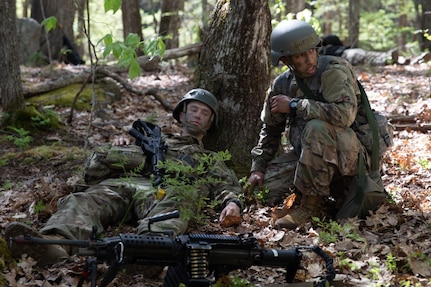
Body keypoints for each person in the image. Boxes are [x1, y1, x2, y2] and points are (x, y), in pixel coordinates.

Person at [5, 88, 242, 269]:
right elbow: (95, 171)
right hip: (123, 185)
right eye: (194, 109)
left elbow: (226, 185)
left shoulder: (209, 157)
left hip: (165, 193)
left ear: (210, 124)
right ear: (181, 114)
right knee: (84, 199)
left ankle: (150, 251)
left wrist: (232, 203)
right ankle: (54, 243)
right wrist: (122, 146)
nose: (198, 116)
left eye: (205, 113)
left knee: (179, 200)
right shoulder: (148, 140)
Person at [244, 19, 367, 229]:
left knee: (316, 127)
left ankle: (310, 207)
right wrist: (258, 167)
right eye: (300, 55)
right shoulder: (282, 84)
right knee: (260, 192)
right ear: (286, 60)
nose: (309, 60)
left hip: (349, 157)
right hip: (311, 156)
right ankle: (314, 194)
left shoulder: (333, 71)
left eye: (311, 51)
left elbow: (345, 115)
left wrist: (294, 105)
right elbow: (271, 129)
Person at [320, 34, 399, 66]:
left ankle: (390, 56)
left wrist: (323, 40)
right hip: (345, 56)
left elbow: (335, 39)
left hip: (348, 51)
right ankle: (387, 60)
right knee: (366, 58)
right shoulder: (319, 54)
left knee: (367, 54)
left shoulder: (324, 47)